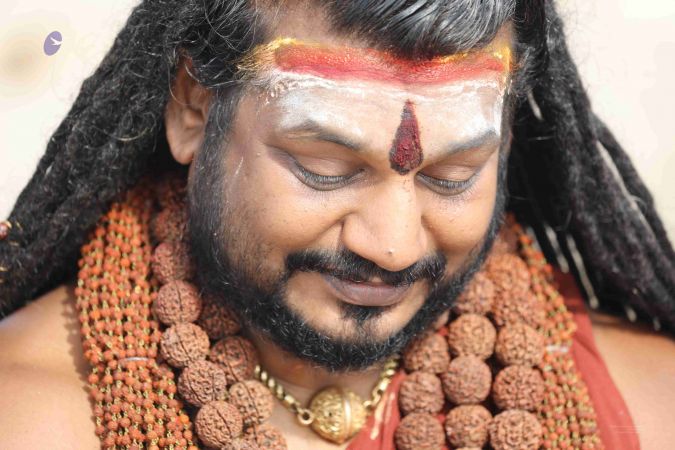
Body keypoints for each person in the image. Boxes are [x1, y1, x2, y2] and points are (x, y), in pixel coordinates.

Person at [0, 1, 673, 449]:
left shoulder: (652, 406)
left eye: (452, 175)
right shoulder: (27, 417)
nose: (392, 244)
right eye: (325, 168)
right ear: (193, 108)